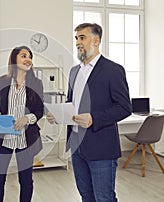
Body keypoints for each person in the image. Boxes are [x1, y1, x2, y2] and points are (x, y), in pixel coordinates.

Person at [47, 23, 132, 201]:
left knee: (104, 197)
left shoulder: (113, 70)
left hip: (101, 148)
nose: (78, 42)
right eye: (76, 38)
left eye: (82, 37)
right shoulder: (74, 71)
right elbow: (72, 104)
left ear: (96, 40)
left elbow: (124, 107)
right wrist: (60, 114)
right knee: (86, 195)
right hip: (77, 146)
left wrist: (94, 118)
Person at [0, 46, 44, 202]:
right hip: (4, 137)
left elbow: (40, 110)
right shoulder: (2, 81)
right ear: (14, 59)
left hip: (26, 140)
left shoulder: (36, 83)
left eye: (30, 57)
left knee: (26, 181)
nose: (28, 59)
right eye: (24, 55)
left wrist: (27, 118)